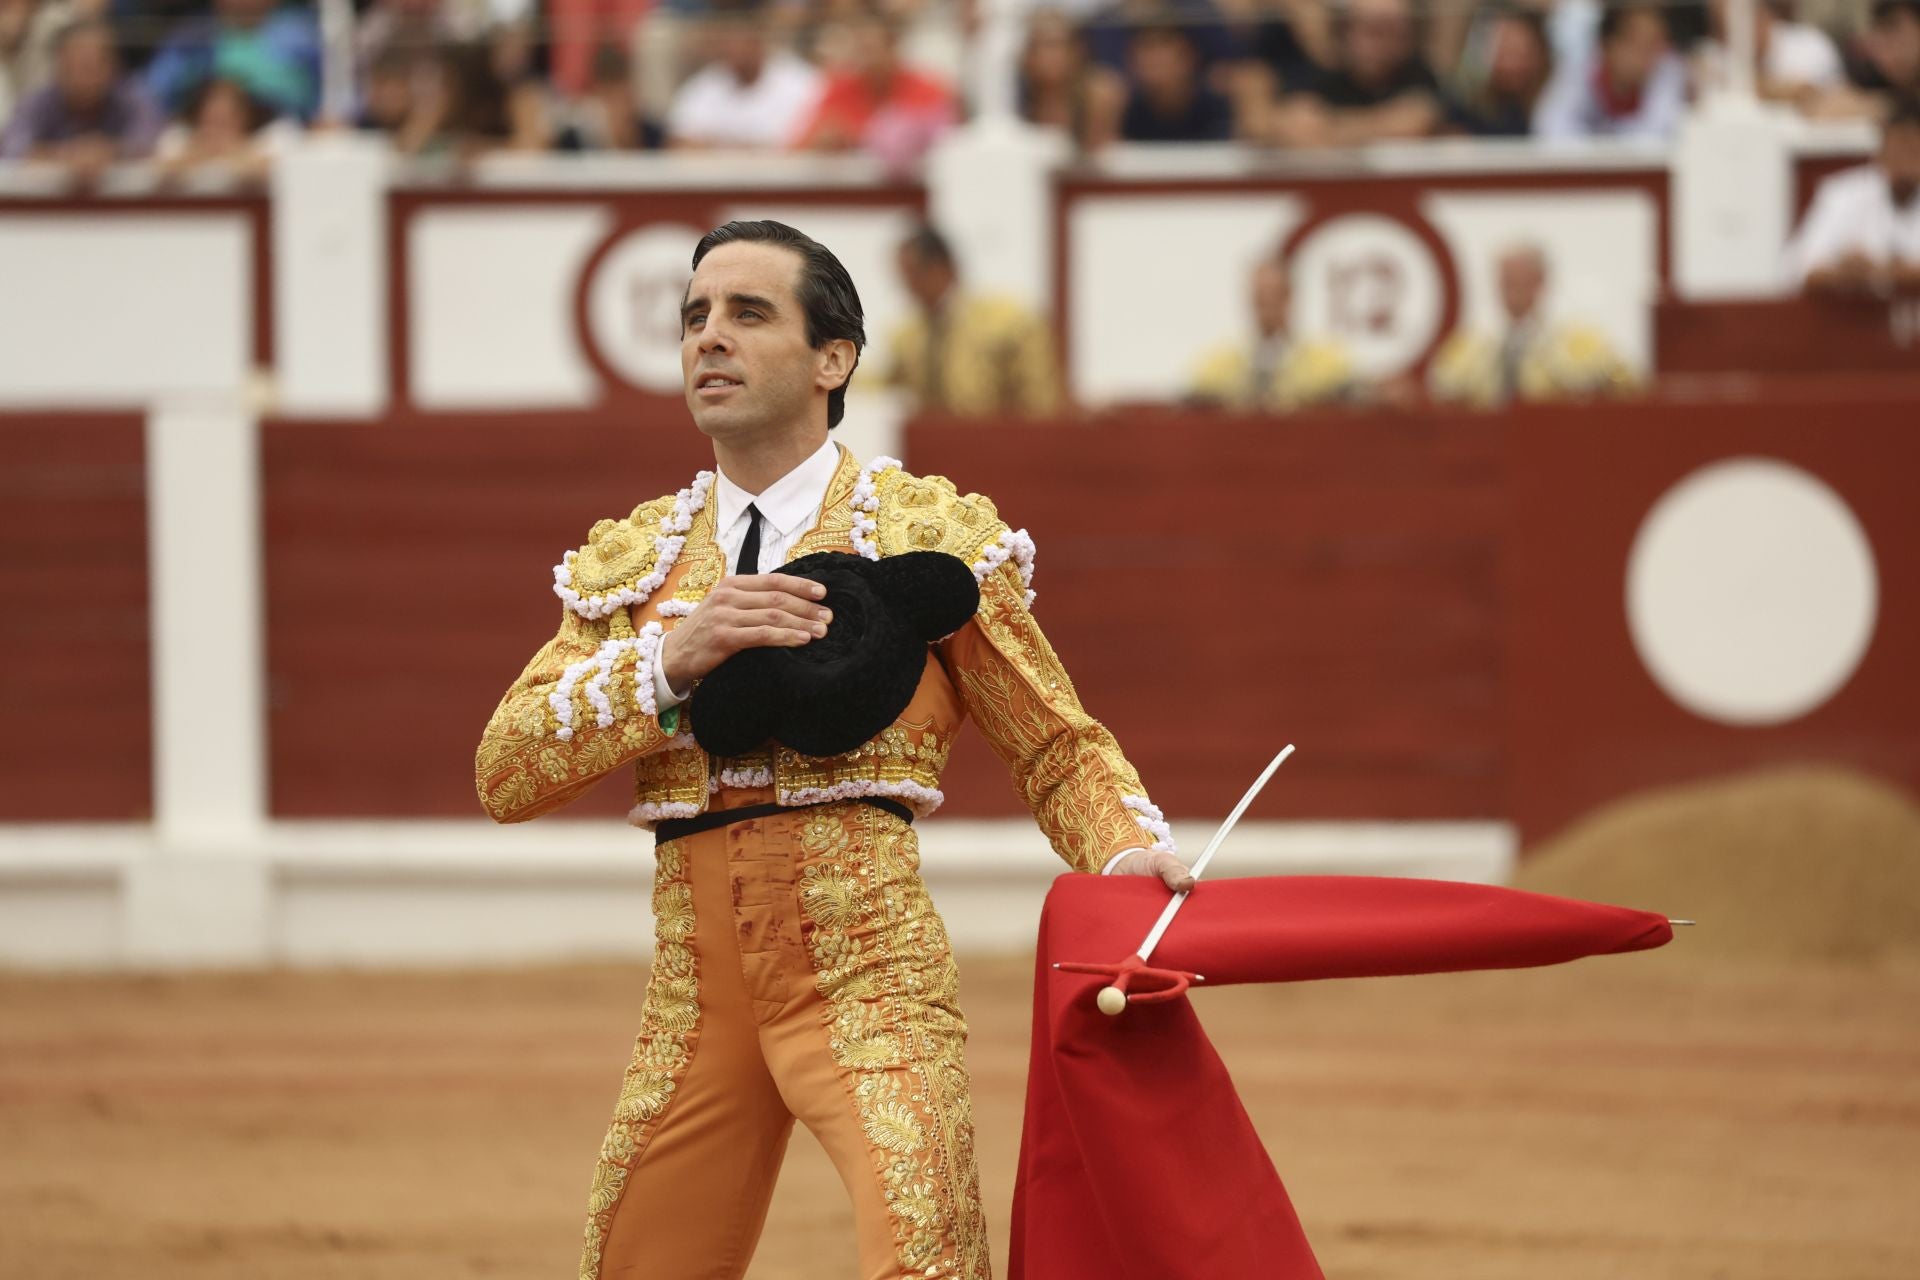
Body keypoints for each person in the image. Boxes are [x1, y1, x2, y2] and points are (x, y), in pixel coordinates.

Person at [474, 219, 1193, 1280]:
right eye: (695, 317)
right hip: (695, 992)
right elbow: (505, 768)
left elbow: (1057, 747)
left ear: (833, 359)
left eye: (747, 313)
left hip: (873, 978)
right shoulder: (637, 565)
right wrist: (674, 660)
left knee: (928, 1257)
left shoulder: (923, 537)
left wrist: (1133, 858)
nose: (708, 338)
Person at [884, 223, 1064, 418]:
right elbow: (890, 381)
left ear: (939, 268)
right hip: (938, 443)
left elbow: (1041, 401)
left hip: (1001, 441)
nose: (908, 288)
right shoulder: (908, 335)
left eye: (913, 276)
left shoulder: (1011, 321)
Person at [1427, 241, 1638, 407]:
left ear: (1541, 282)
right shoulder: (1472, 344)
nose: (1511, 291)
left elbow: (1623, 382)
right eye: (1505, 281)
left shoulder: (1581, 340)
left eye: (1519, 281)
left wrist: (1587, 387)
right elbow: (1443, 390)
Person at [1187, 247, 1360, 411]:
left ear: (1289, 297)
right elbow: (1196, 402)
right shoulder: (1221, 362)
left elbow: (1352, 401)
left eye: (1275, 296)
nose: (1267, 307)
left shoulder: (1326, 361)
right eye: (1260, 299)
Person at [1783, 96, 1920, 293]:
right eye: (1898, 147)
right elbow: (1803, 270)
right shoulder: (1843, 193)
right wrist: (1844, 273)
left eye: (1913, 149)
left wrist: (1880, 272)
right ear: (1881, 150)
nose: (1905, 159)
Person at [792, 8, 954, 171]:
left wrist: (857, 139)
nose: (864, 57)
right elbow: (799, 144)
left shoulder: (927, 89)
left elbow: (947, 146)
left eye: (870, 48)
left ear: (892, 47)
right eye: (859, 48)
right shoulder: (838, 89)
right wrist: (820, 142)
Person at [1268, 0, 1444, 147]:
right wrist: (1382, 124)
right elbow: (1294, 126)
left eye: (1399, 34)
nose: (1387, 45)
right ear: (1346, 33)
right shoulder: (1324, 73)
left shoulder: (1417, 72)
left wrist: (1331, 127)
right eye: (1375, 33)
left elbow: (1416, 123)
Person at [0, 17, 161, 172]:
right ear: (58, 67)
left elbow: (150, 139)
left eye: (91, 66)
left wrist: (108, 152)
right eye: (74, 66)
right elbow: (12, 148)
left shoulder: (132, 98)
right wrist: (66, 155)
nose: (83, 77)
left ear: (113, 67)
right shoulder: (37, 102)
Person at [667, 7, 822, 148]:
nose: (728, 48)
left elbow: (815, 143)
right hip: (721, 177)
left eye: (736, 39)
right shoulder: (705, 84)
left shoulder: (802, 81)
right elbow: (680, 142)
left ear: (757, 40)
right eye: (723, 41)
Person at [144, 0, 321, 121]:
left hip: (287, 132)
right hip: (207, 134)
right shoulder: (193, 36)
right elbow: (153, 93)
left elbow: (328, 93)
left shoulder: (300, 33)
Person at [1533, 2, 1687, 140]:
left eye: (1655, 42)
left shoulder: (1669, 69)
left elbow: (1659, 134)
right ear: (1608, 44)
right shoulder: (1582, 65)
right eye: (1637, 42)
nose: (1648, 53)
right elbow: (1550, 125)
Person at [1446, 5, 1554, 136]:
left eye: (1521, 53)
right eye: (1504, 53)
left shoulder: (1553, 101)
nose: (1513, 64)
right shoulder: (1468, 107)